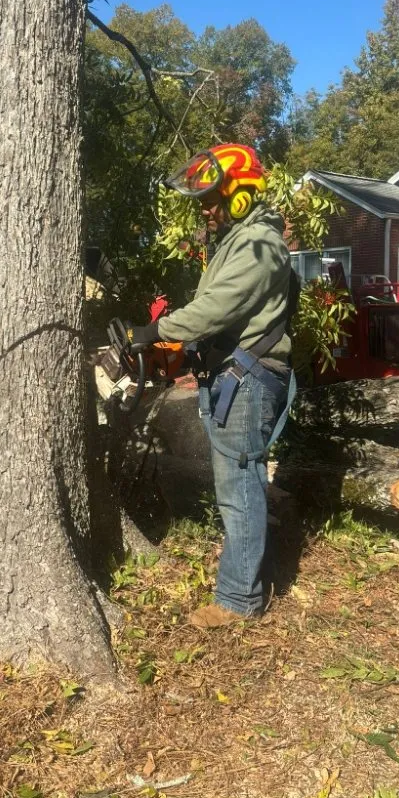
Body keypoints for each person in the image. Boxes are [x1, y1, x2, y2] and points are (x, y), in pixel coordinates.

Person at [128, 143, 296, 628]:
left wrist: (155, 330)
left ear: (239, 193)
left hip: (249, 379)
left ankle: (238, 602)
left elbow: (217, 308)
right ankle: (245, 586)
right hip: (235, 374)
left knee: (239, 487)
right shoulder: (239, 241)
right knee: (239, 484)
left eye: (211, 198)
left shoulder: (261, 245)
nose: (204, 208)